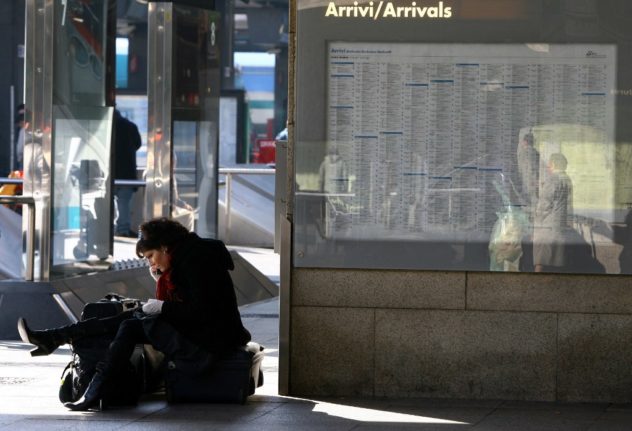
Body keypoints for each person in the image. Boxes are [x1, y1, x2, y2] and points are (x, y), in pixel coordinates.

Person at [17, 217, 251, 411]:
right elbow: (185, 304)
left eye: (150, 256)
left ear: (165, 247)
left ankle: (89, 385)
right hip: (206, 329)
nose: (150, 262)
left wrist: (160, 308)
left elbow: (201, 310)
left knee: (131, 325)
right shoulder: (187, 255)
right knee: (132, 318)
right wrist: (160, 283)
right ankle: (56, 339)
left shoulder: (196, 260)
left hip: (213, 338)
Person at [533, 153, 573, 272]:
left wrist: (535, 225)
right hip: (559, 227)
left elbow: (544, 206)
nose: (548, 167)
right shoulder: (567, 180)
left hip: (546, 228)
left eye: (549, 164)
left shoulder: (553, 180)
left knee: (540, 262)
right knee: (555, 264)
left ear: (553, 164)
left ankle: (535, 287)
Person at [113, 109, 142, 237]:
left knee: (107, 202)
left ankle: (108, 229)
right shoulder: (131, 127)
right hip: (127, 172)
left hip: (110, 172)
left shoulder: (108, 126)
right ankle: (123, 229)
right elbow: (138, 144)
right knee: (124, 202)